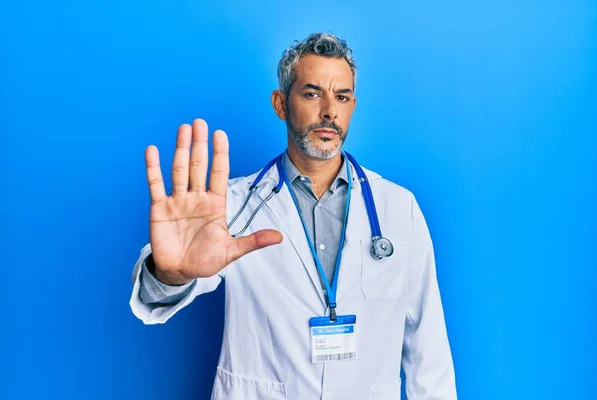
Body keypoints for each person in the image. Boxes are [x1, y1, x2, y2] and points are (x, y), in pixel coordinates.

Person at [129, 32, 457, 400]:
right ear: (281, 104)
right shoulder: (232, 205)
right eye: (312, 93)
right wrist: (170, 273)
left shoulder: (398, 208)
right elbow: (154, 297)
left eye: (342, 97)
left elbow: (428, 348)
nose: (329, 111)